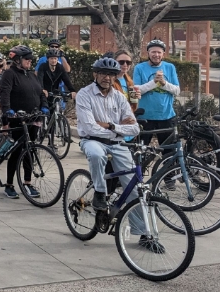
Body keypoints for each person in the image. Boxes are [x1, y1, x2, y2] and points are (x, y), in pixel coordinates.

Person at [76, 58, 144, 242]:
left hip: (116, 142)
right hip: (92, 140)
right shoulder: (84, 94)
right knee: (97, 154)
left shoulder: (120, 97)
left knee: (135, 188)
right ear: (95, 74)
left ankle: (144, 233)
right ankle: (99, 193)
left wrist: (111, 126)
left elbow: (135, 128)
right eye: (103, 73)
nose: (107, 77)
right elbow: (89, 128)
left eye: (111, 74)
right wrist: (119, 127)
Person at [0, 45, 48, 199]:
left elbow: (40, 93)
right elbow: (5, 93)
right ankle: (9, 184)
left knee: (30, 150)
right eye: (27, 59)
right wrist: (7, 110)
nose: (29, 61)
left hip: (33, 119)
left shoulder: (31, 75)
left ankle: (27, 183)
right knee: (16, 152)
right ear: (18, 60)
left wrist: (45, 106)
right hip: (17, 119)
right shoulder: (10, 74)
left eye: (30, 59)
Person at [133, 39, 179, 148]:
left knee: (168, 151)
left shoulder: (170, 67)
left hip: (166, 115)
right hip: (145, 116)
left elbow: (177, 90)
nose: (156, 55)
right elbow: (136, 90)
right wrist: (154, 82)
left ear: (163, 54)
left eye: (159, 52)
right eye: (153, 52)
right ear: (148, 53)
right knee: (140, 150)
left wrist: (163, 83)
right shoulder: (139, 68)